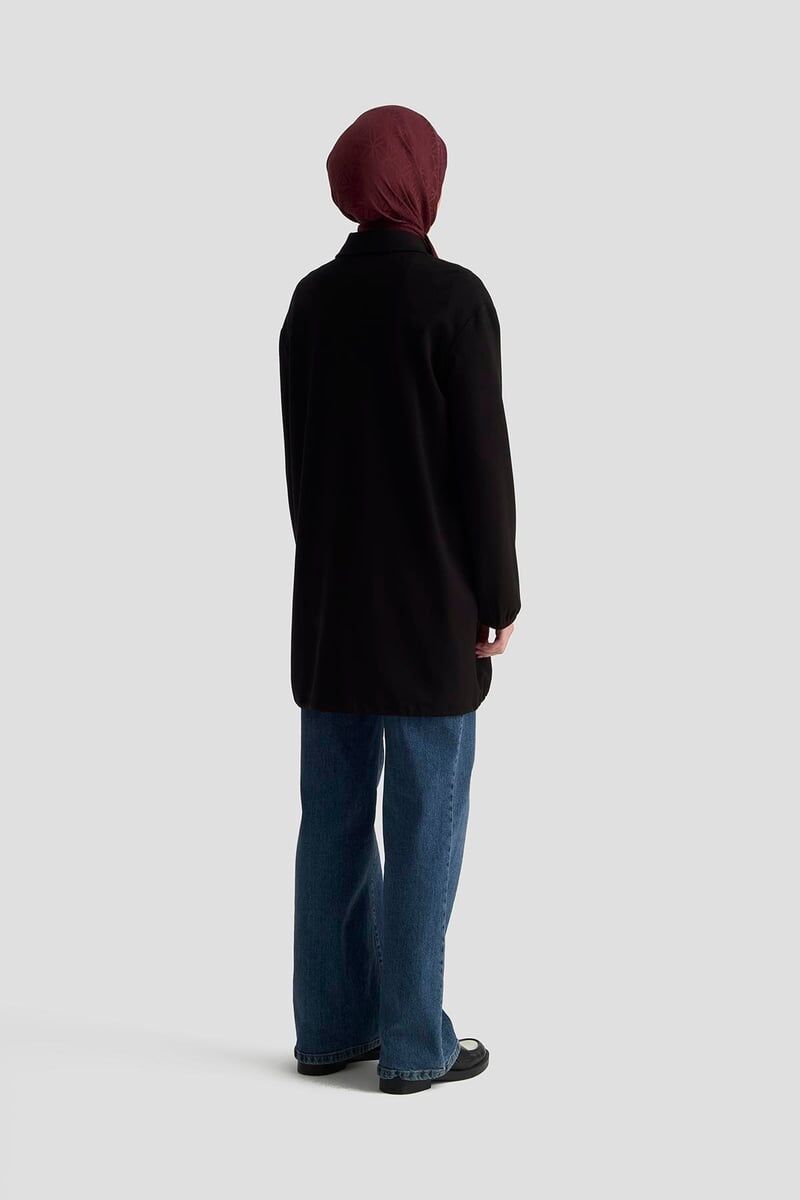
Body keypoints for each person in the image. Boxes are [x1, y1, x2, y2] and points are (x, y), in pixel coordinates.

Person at [279, 105, 521, 1095]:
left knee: (332, 819)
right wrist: (498, 593)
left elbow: (301, 467)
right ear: (424, 184)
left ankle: (331, 1027)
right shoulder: (453, 301)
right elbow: (481, 467)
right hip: (431, 614)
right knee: (425, 824)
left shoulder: (310, 303)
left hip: (332, 610)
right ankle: (416, 1045)